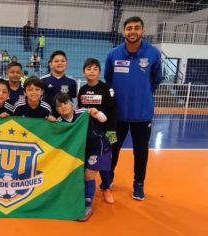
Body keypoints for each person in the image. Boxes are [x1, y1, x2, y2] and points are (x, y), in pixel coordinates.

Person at [104, 16, 163, 201]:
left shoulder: (153, 53)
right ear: (124, 32)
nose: (132, 31)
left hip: (142, 114)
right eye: (129, 28)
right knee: (111, 147)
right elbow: (108, 79)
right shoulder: (113, 54)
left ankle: (138, 183)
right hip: (116, 115)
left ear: (142, 31)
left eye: (137, 28)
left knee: (141, 151)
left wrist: (143, 93)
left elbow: (157, 79)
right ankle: (108, 177)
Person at [55, 93, 110, 221]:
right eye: (59, 105)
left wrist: (96, 113)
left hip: (98, 147)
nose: (63, 107)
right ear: (56, 109)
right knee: (77, 175)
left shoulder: (83, 113)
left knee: (89, 175)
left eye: (65, 103)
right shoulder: (58, 122)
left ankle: (87, 205)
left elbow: (104, 119)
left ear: (72, 104)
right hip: (80, 151)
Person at [78, 58, 117, 204]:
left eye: (95, 69)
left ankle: (106, 188)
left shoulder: (107, 89)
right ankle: (86, 190)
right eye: (88, 69)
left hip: (105, 132)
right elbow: (81, 112)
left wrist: (112, 133)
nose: (92, 71)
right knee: (91, 161)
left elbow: (113, 112)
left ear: (99, 72)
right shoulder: (82, 90)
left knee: (104, 162)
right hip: (88, 133)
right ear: (84, 72)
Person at [41, 50, 77, 117]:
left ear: (67, 64)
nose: (60, 63)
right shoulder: (43, 80)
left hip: (66, 118)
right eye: (56, 61)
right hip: (48, 117)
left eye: (62, 61)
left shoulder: (72, 81)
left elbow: (74, 101)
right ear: (50, 64)